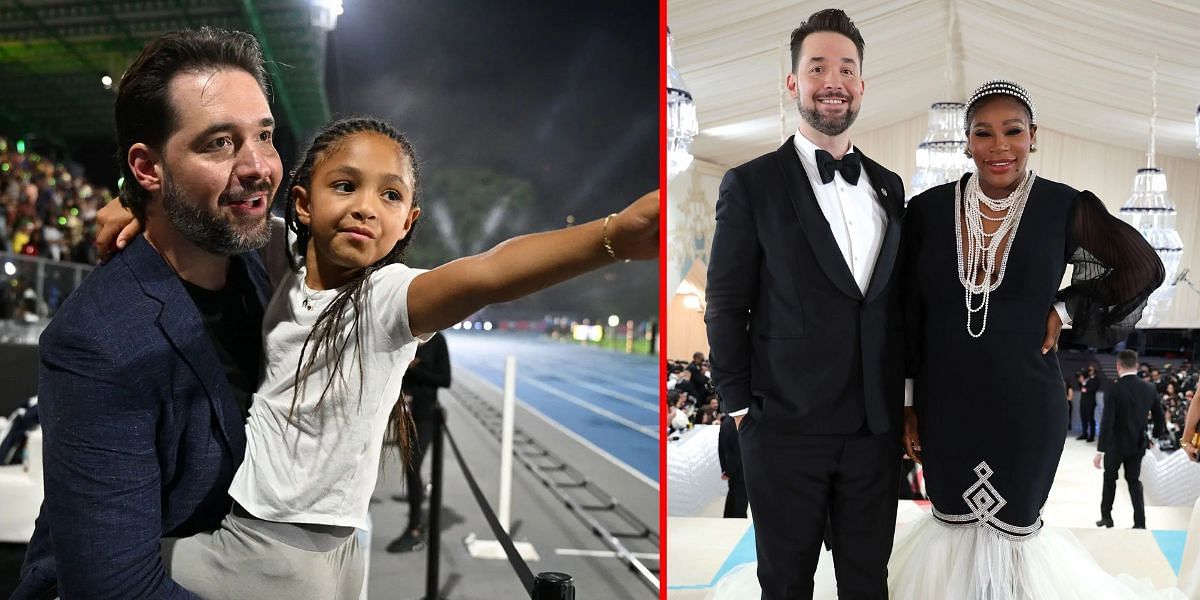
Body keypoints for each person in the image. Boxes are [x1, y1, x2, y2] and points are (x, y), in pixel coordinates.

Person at [152, 116, 656, 598]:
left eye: (390, 195)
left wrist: (611, 238)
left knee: (105, 563)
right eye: (346, 186)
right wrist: (141, 207)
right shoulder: (288, 260)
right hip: (329, 552)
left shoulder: (384, 298)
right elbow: (235, 218)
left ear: (407, 221)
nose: (366, 207)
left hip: (273, 553)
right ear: (304, 204)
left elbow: (488, 272)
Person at [14, 28, 281, 599]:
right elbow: (115, 589)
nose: (259, 165)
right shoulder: (98, 341)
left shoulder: (258, 260)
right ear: (147, 167)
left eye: (265, 134)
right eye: (220, 143)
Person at [890, 80, 1182, 598]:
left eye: (1013, 131)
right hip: (944, 403)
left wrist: (1065, 307)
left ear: (1034, 136)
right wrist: (909, 401)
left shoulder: (1062, 206)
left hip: (1026, 403)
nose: (999, 145)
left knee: (1017, 529)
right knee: (951, 518)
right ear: (966, 141)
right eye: (984, 133)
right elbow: (908, 314)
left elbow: (1142, 267)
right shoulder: (929, 212)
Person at [705, 9, 906, 599]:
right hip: (783, 429)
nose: (833, 80)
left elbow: (893, 307)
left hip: (874, 431)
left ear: (863, 85)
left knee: (868, 585)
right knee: (786, 586)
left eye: (846, 68)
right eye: (817, 67)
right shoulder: (750, 184)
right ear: (793, 83)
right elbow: (724, 303)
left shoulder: (891, 186)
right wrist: (741, 410)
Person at [387, 330, 451, 553]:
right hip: (403, 413)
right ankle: (416, 499)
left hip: (425, 416)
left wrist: (416, 368)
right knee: (408, 465)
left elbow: (445, 379)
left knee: (413, 468)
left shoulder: (437, 341)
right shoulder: (403, 336)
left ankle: (414, 531)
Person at [1095, 349, 1166, 529]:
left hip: (1115, 446)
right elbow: (1160, 418)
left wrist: (1100, 450)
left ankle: (1107, 518)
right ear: (1137, 365)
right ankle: (1140, 523)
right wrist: (1154, 437)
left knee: (1109, 479)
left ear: (1118, 366)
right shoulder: (1149, 388)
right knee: (1134, 482)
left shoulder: (1114, 388)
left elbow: (1107, 421)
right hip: (1137, 444)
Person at [718, 412, 747, 519]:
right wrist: (729, 470)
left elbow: (722, 449)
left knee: (734, 494)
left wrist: (725, 469)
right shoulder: (733, 424)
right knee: (739, 498)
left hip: (733, 468)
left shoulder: (726, 422)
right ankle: (737, 520)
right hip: (738, 468)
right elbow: (734, 452)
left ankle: (729, 517)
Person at [1080, 363, 1100, 441]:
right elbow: (1081, 387)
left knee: (1090, 418)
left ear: (1094, 370)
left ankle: (1091, 436)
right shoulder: (1087, 378)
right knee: (1083, 418)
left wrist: (1086, 389)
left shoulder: (1096, 379)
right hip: (1083, 400)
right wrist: (1082, 382)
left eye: (1090, 370)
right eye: (1088, 370)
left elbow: (1094, 388)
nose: (1089, 371)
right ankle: (1084, 434)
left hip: (1090, 401)